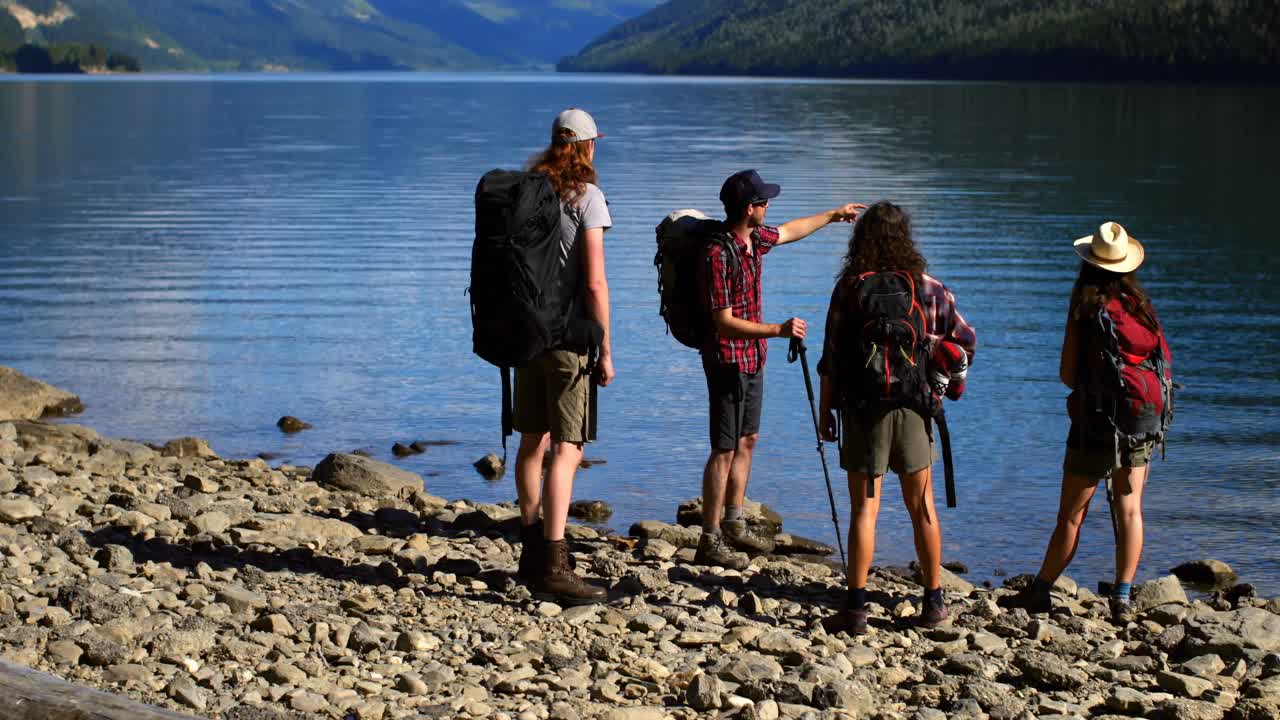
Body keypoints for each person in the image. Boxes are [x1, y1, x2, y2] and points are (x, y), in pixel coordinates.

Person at [816, 201, 977, 635]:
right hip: (914, 407)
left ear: (861, 241)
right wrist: (943, 380)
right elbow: (966, 342)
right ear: (905, 238)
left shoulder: (850, 288)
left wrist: (825, 410)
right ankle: (933, 602)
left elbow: (830, 357)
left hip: (863, 409)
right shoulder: (929, 288)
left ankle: (855, 609)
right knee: (921, 505)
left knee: (864, 511)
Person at [694, 169, 863, 569]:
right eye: (764, 202)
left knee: (748, 439)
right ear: (749, 208)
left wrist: (833, 215)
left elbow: (789, 231)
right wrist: (777, 330)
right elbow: (722, 321)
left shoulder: (755, 239)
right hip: (726, 361)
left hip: (753, 359)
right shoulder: (718, 253)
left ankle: (734, 522)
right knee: (723, 448)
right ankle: (709, 537)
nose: (770, 207)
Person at [1011, 221, 1173, 623]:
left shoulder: (1085, 309)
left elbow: (1067, 374)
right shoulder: (1141, 307)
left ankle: (1041, 591)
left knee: (1071, 515)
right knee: (1130, 509)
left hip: (1094, 422)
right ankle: (1121, 597)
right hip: (1140, 419)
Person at [512, 108, 614, 605]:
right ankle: (554, 561)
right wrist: (607, 349)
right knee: (568, 449)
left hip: (525, 338)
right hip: (568, 340)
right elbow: (594, 281)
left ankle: (531, 546)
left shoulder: (528, 191)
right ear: (590, 146)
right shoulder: (587, 197)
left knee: (532, 440)